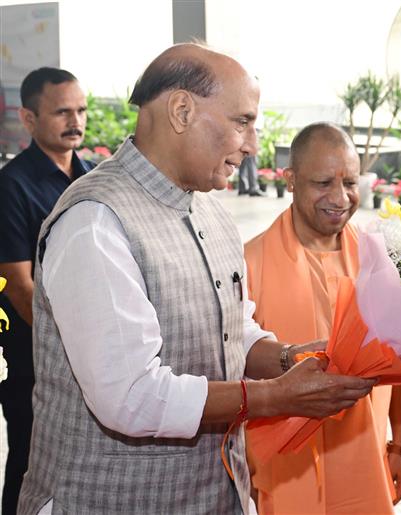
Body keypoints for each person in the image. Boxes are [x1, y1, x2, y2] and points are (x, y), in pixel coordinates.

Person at [17, 44, 376, 515]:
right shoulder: (96, 220)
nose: (251, 145)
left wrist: (287, 358)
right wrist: (272, 397)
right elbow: (130, 396)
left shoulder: (207, 206)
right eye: (242, 122)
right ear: (182, 111)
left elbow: (232, 326)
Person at [243, 122, 401, 514]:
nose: (340, 198)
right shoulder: (249, 263)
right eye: (323, 183)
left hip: (363, 451)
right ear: (290, 179)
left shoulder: (380, 260)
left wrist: (400, 445)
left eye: (350, 183)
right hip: (286, 465)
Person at [0, 67, 94, 515]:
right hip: (36, 362)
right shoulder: (10, 187)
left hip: (94, 357)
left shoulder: (93, 177)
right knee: (28, 467)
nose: (75, 121)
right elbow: (19, 286)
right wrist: (73, 347)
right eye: (61, 112)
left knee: (80, 472)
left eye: (80, 110)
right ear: (29, 118)